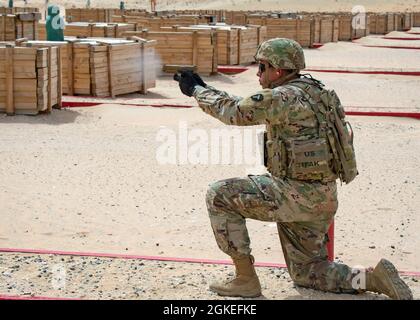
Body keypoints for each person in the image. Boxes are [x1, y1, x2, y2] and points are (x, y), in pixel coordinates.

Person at [174, 38, 413, 300]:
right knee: (309, 272)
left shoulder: (282, 97)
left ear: (278, 69)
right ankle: (373, 277)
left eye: (262, 66)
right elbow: (246, 104)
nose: (258, 73)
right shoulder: (317, 92)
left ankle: (245, 279)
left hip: (292, 194)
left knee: (219, 195)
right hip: (322, 197)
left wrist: (197, 90)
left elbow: (235, 112)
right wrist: (205, 87)